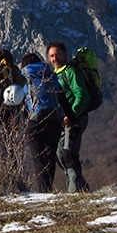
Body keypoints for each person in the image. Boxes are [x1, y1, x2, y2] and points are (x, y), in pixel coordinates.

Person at [46, 40, 91, 192]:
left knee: (68, 154)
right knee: (60, 153)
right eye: (51, 55)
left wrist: (72, 114)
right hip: (64, 121)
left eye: (58, 54)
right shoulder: (54, 75)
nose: (55, 58)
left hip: (76, 119)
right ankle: (81, 186)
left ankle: (75, 190)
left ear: (65, 54)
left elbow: (82, 95)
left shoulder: (71, 72)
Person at [20, 52, 63, 193]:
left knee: (38, 157)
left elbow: (21, 97)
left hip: (34, 121)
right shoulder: (50, 74)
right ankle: (49, 189)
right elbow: (58, 92)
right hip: (53, 119)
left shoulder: (24, 76)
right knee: (50, 156)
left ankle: (44, 191)